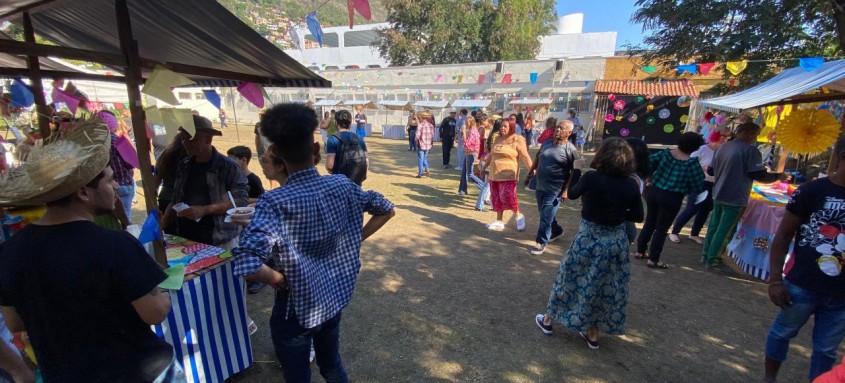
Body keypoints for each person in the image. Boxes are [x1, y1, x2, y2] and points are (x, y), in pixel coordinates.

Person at [0, 119, 184, 382]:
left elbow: (14, 323)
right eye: (110, 180)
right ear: (84, 192)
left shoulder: (10, 252)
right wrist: (163, 294)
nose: (118, 187)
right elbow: (155, 312)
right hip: (135, 373)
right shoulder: (115, 245)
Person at [232, 103, 395, 382]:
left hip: (295, 308)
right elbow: (386, 208)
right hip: (333, 300)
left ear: (278, 160)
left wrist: (279, 277)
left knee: (298, 376)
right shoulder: (343, 185)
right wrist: (356, 238)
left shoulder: (274, 202)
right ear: (317, 152)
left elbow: (246, 262)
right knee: (331, 364)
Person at [534, 137, 644, 350]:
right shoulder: (630, 184)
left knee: (569, 279)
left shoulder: (592, 178)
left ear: (602, 155)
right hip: (615, 243)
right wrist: (617, 211)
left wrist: (576, 170)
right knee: (603, 286)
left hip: (588, 239)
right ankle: (592, 332)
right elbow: (638, 216)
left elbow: (573, 193)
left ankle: (548, 321)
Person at [763, 136, 845, 383]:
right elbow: (784, 235)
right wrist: (775, 280)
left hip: (841, 295)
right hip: (802, 285)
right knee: (782, 333)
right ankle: (769, 379)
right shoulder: (813, 191)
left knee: (826, 350)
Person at [702, 122, 788, 271]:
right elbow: (758, 174)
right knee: (725, 229)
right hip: (735, 197)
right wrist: (778, 176)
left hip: (718, 193)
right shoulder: (750, 151)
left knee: (715, 226)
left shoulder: (722, 147)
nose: (755, 138)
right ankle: (713, 259)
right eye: (755, 134)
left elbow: (710, 171)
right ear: (747, 133)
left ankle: (706, 255)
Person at [162, 115, 248, 249]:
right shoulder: (184, 165)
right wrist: (162, 224)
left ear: (208, 139)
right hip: (188, 239)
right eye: (183, 139)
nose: (185, 143)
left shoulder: (228, 167)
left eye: (191, 139)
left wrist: (204, 210)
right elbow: (175, 199)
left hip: (220, 241)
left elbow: (240, 201)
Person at [634, 132, 706, 269]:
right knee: (661, 228)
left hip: (654, 192)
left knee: (650, 222)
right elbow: (697, 185)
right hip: (672, 197)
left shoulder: (665, 154)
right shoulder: (692, 164)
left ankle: (640, 250)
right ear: (695, 148)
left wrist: (649, 178)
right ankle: (654, 259)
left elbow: (647, 165)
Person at [525, 120, 578, 255]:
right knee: (544, 213)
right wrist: (530, 173)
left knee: (545, 217)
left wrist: (566, 190)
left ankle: (541, 242)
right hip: (540, 186)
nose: (558, 130)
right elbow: (538, 158)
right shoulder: (547, 143)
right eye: (557, 127)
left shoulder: (571, 150)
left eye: (562, 128)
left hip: (555, 190)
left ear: (569, 133)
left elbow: (575, 172)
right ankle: (557, 230)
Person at [669, 130, 730, 245]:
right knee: (692, 208)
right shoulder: (702, 149)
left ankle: (694, 233)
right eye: (723, 137)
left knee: (706, 210)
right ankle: (674, 231)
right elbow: (691, 162)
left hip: (715, 184)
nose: (725, 139)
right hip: (701, 182)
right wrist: (704, 168)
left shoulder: (724, 151)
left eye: (727, 137)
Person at [479, 117, 533, 231]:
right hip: (494, 174)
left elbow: (525, 156)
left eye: (505, 126)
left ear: (512, 127)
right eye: (501, 126)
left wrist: (532, 170)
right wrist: (483, 167)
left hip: (508, 175)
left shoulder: (517, 140)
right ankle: (499, 220)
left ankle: (518, 215)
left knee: (508, 197)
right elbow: (491, 156)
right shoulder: (497, 139)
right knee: (496, 198)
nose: (502, 128)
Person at [100, 110, 137, 220]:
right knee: (125, 217)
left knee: (111, 218)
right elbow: (131, 164)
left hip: (105, 187)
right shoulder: (118, 141)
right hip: (124, 185)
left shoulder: (96, 144)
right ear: (114, 125)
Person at [326, 110, 369, 185]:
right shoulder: (359, 138)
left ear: (336, 123)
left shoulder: (332, 139)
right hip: (356, 183)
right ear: (350, 124)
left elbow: (329, 166)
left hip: (339, 183)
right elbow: (366, 162)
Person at [623, 137, 651, 244]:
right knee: (630, 234)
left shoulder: (638, 174)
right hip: (622, 216)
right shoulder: (629, 177)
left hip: (625, 216)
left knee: (631, 233)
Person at [458, 117, 480, 195]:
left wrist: (464, 133)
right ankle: (462, 190)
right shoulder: (471, 130)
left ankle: (483, 187)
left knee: (470, 175)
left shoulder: (473, 131)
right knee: (464, 172)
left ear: (471, 123)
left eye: (468, 123)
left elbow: (467, 144)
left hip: (471, 153)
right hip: (468, 153)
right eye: (466, 123)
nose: (466, 124)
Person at [415, 111, 435, 178]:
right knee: (424, 158)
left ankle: (420, 173)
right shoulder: (431, 125)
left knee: (420, 159)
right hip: (428, 144)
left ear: (422, 117)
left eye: (419, 117)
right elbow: (432, 135)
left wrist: (416, 140)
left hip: (421, 144)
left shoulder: (420, 126)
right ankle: (427, 170)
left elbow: (417, 136)